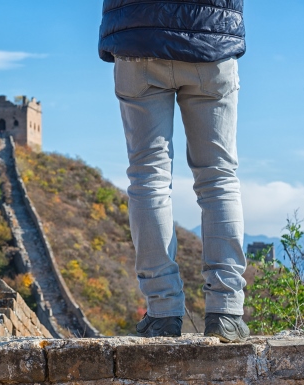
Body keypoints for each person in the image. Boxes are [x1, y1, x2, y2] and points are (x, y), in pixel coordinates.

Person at [98, 0, 250, 342]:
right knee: (218, 178)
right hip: (212, 39)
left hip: (138, 38)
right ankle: (226, 310)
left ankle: (163, 313)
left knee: (148, 178)